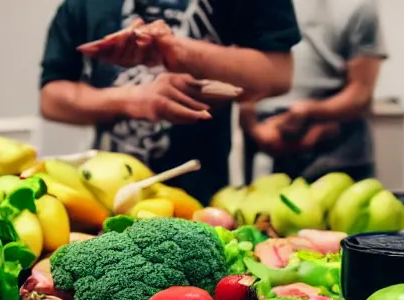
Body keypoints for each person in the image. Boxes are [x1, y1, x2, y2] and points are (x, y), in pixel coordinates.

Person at [39, 0, 301, 204]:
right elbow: (50, 97)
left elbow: (277, 73)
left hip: (205, 198)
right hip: (101, 195)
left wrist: (181, 53)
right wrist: (135, 99)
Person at [241, 0, 387, 184]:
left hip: (337, 160)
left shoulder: (359, 5)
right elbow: (242, 74)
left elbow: (361, 93)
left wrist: (310, 112)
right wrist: (252, 125)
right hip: (266, 150)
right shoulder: (257, 6)